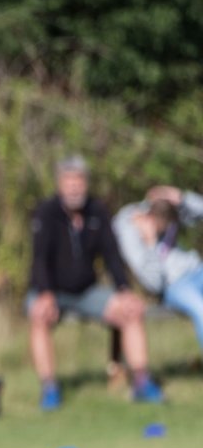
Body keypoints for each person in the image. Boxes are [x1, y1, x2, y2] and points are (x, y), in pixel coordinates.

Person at [27, 157, 162, 409]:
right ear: (60, 184)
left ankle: (142, 382)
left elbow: (112, 255)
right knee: (38, 314)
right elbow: (40, 259)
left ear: (86, 183)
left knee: (131, 310)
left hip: (87, 292)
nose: (74, 187)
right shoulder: (46, 212)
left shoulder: (97, 211)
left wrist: (124, 290)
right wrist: (45, 293)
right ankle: (49, 388)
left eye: (79, 181)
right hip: (51, 290)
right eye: (69, 181)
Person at [113, 185, 203, 355]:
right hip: (174, 286)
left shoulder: (165, 209)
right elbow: (153, 284)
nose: (169, 227)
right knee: (201, 309)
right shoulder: (130, 228)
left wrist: (182, 197)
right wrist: (151, 242)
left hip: (196, 269)